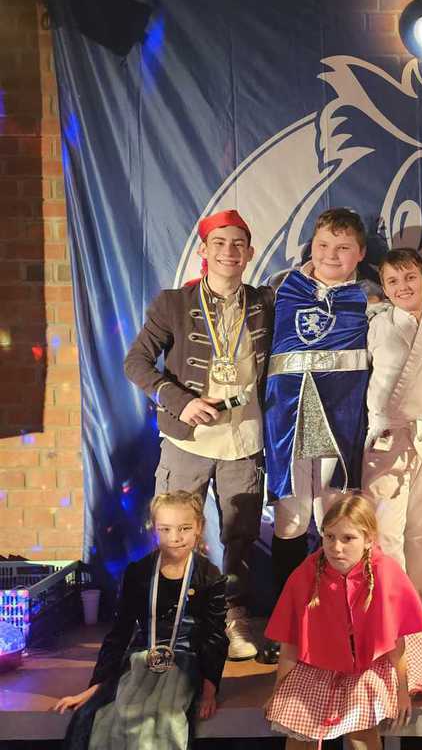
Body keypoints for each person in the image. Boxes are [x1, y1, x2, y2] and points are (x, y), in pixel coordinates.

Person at [124, 208, 273, 660]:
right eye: (220, 243)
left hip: (244, 437)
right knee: (175, 530)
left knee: (239, 534)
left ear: (249, 252)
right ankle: (169, 618)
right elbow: (136, 363)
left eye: (238, 244)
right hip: (187, 438)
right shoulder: (173, 303)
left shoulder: (265, 301)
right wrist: (179, 400)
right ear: (204, 250)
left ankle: (232, 616)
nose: (229, 252)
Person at [260, 207, 373, 663]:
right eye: (323, 245)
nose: (331, 255)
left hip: (339, 424)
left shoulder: (371, 297)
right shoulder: (281, 287)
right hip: (287, 423)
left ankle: (340, 620)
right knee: (289, 521)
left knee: (337, 522)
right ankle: (285, 626)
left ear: (360, 253)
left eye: (343, 248)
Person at [263, 494, 422, 749]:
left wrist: (402, 691)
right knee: (298, 726)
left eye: (348, 538)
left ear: (369, 540)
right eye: (329, 537)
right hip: (321, 664)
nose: (336, 547)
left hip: (374, 661)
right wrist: (278, 691)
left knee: (360, 729)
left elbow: (395, 642)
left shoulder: (384, 572)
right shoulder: (307, 573)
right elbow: (291, 642)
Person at [55, 491, 227, 750]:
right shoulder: (139, 572)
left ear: (199, 528)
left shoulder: (209, 576)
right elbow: (120, 632)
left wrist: (210, 690)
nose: (175, 538)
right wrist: (97, 686)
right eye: (165, 529)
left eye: (184, 528)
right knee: (105, 717)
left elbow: (215, 636)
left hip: (187, 660)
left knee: (161, 720)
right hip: (141, 658)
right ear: (153, 530)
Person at [362, 247, 422, 610]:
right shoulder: (375, 323)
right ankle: (388, 615)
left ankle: (417, 616)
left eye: (409, 277)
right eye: (392, 281)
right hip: (387, 436)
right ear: (384, 288)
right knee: (383, 530)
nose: (402, 286)